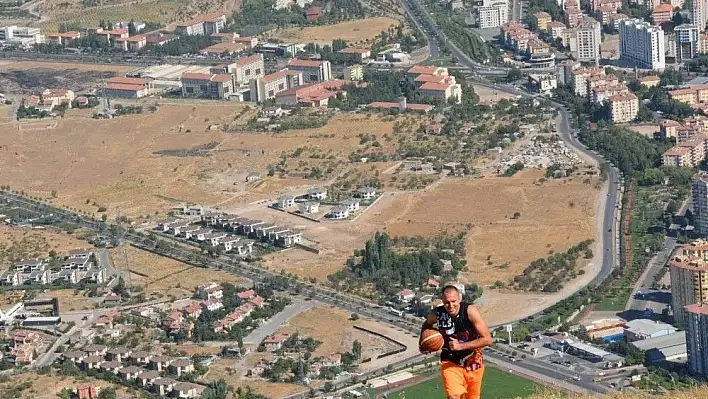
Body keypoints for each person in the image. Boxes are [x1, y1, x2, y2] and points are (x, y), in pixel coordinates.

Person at [419, 282, 492, 399]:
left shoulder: (469, 311)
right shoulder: (437, 313)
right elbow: (426, 324)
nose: (450, 305)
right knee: (453, 397)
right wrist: (422, 343)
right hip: (450, 361)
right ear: (442, 301)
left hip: (473, 361)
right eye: (447, 302)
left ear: (459, 299)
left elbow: (487, 340)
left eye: (453, 301)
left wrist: (460, 346)